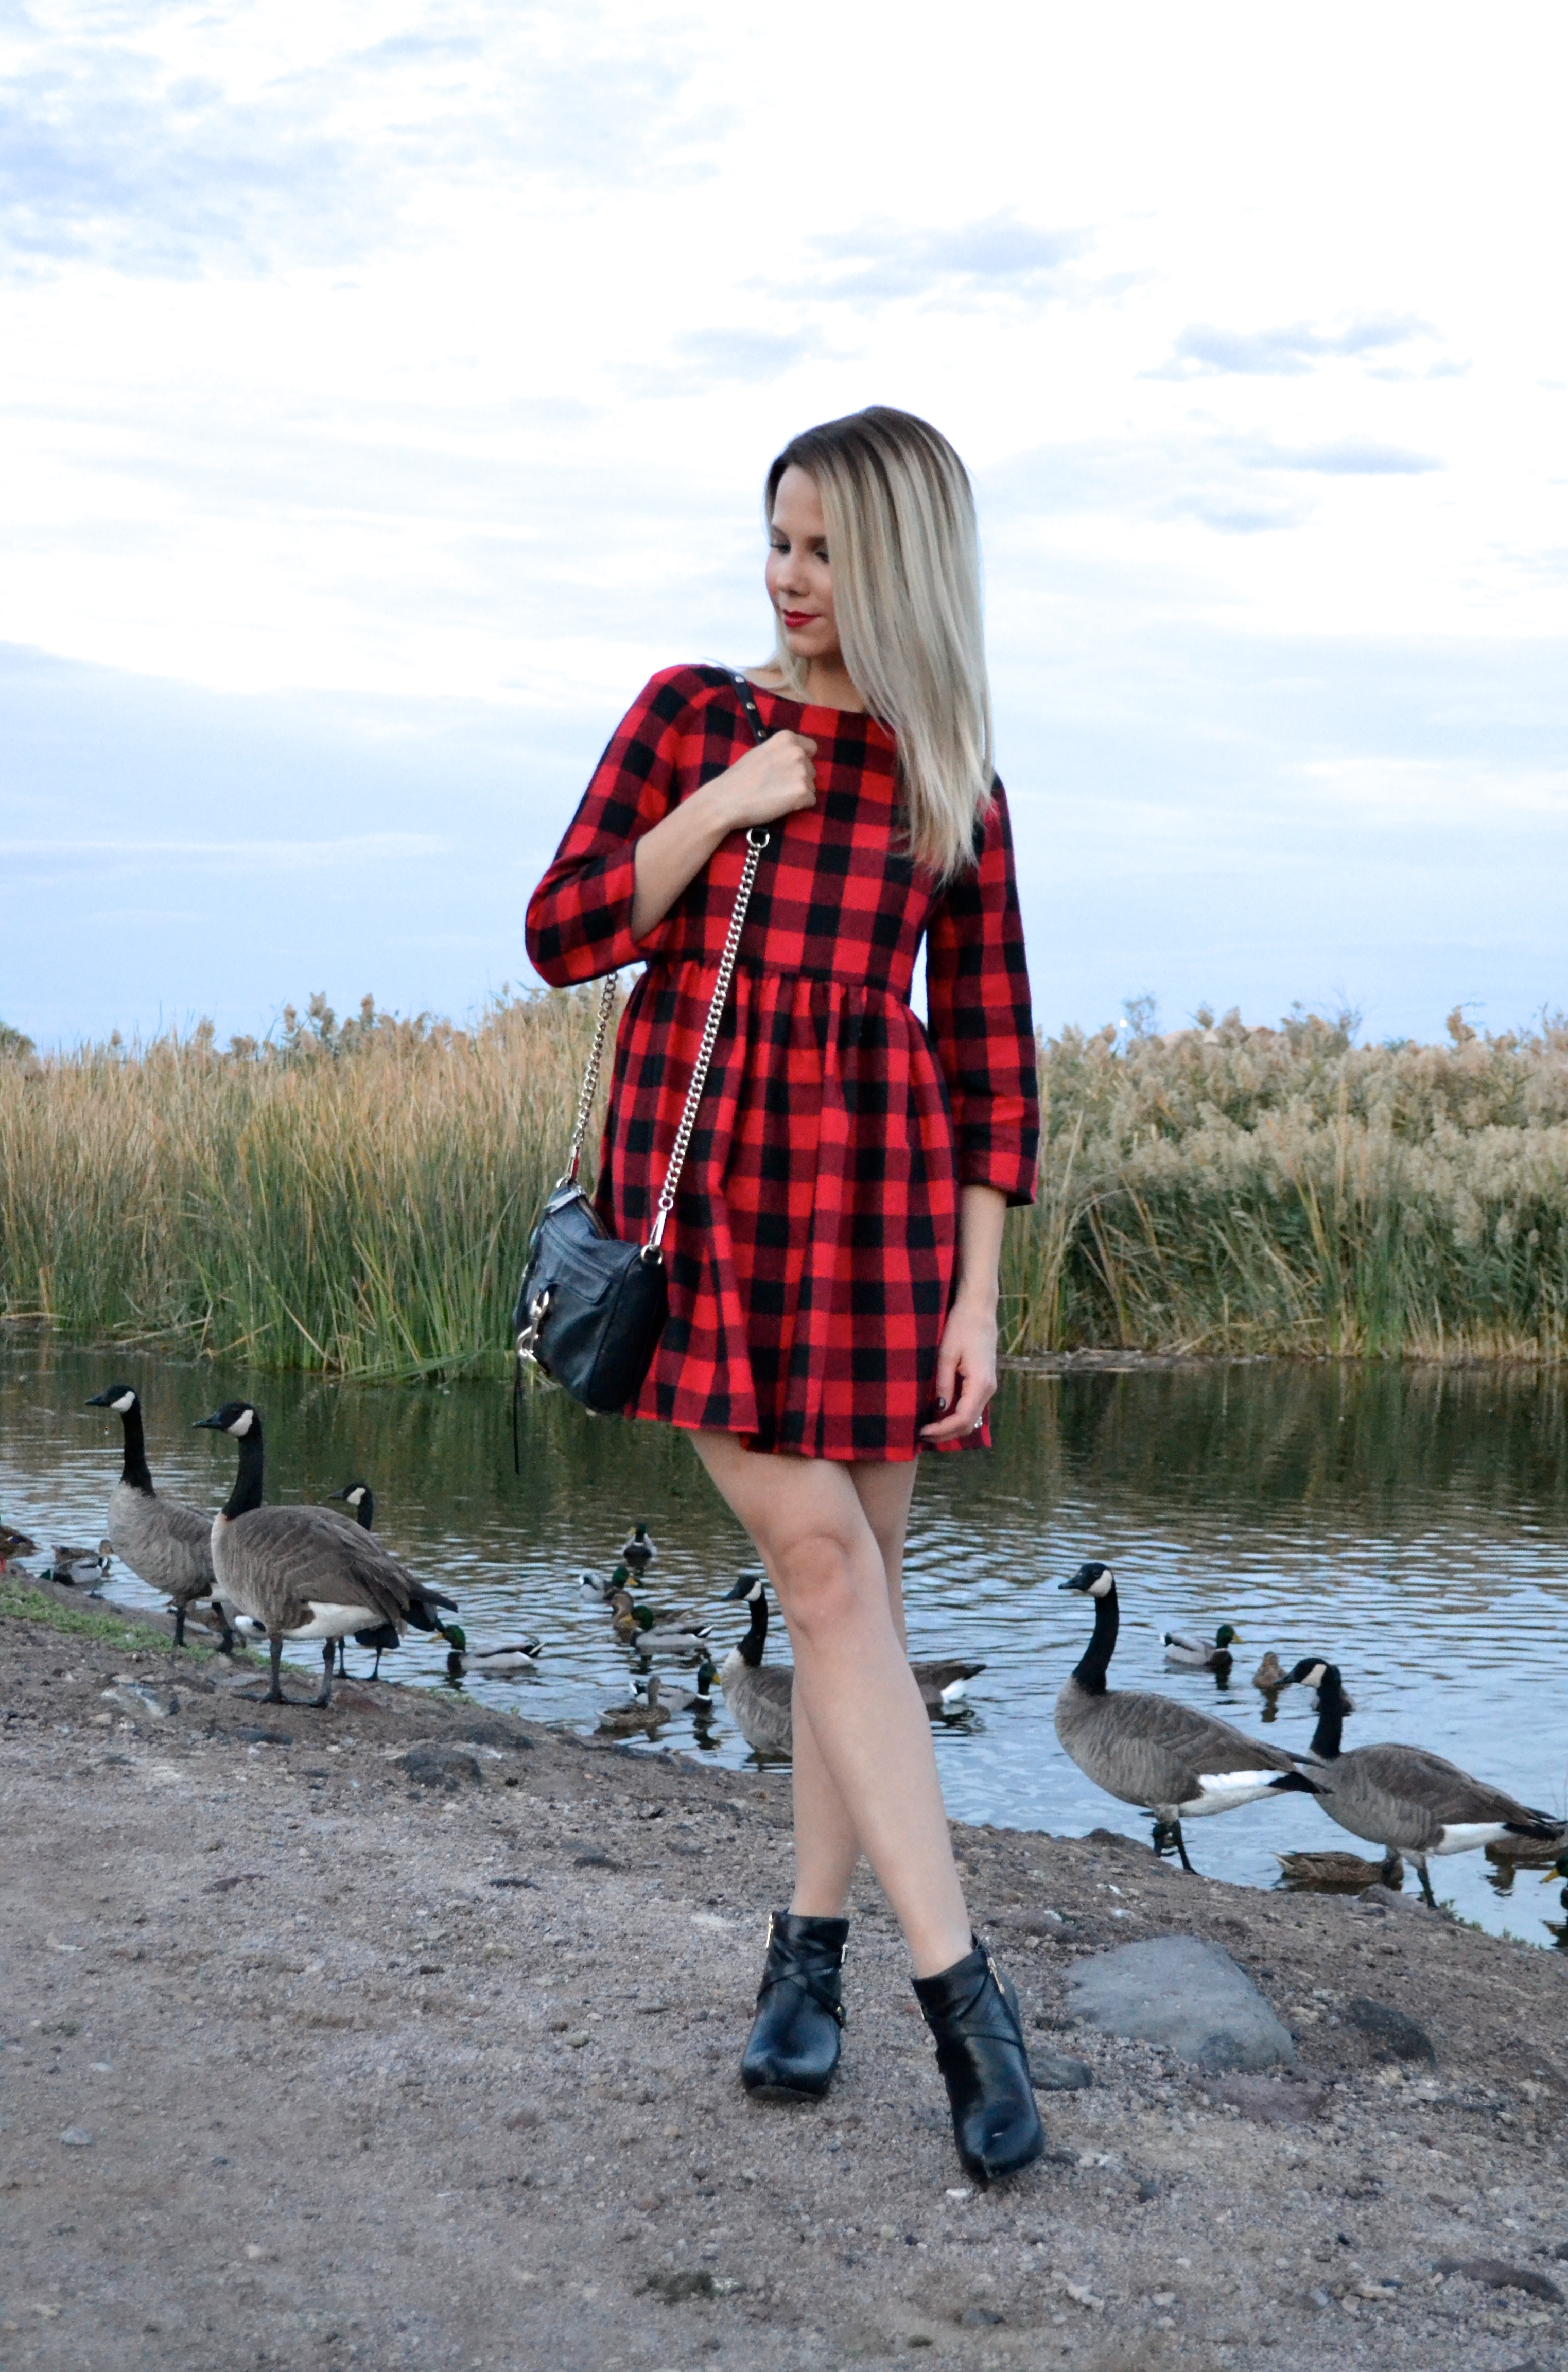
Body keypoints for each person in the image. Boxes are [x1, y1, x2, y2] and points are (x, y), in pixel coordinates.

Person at [526, 406, 1043, 2182]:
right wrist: (729, 803)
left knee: (857, 1611)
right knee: (824, 1576)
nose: (791, 577)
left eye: (825, 549)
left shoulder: (946, 769)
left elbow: (990, 1063)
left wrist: (982, 1300)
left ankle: (803, 1962)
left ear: (894, 562)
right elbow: (567, 924)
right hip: (711, 1212)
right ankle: (965, 1998)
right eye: (778, 540)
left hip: (883, 1219)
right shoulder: (694, 714)